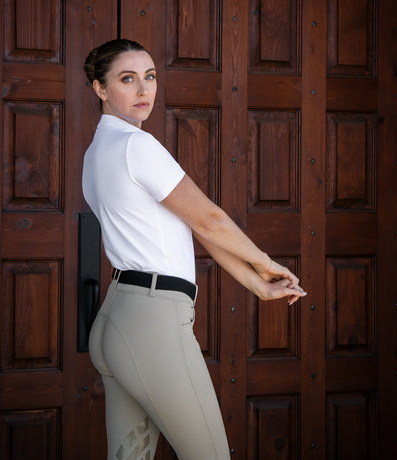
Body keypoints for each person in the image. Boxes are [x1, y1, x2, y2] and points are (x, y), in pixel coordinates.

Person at [82, 38, 306, 460]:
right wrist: (266, 263)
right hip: (152, 326)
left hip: (117, 319)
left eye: (149, 77)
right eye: (127, 79)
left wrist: (255, 283)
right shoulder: (136, 146)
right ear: (100, 88)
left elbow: (196, 226)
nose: (144, 90)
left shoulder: (97, 151)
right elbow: (210, 220)